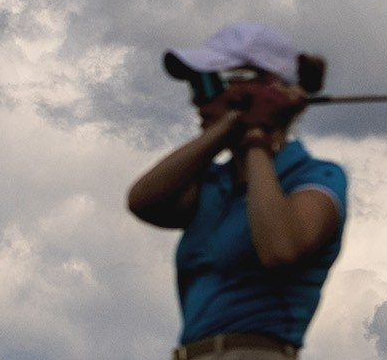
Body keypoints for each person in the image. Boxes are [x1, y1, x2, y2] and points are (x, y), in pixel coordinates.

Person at [127, 22, 347, 359]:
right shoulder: (212, 182)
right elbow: (142, 202)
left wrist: (256, 135)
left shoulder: (317, 177)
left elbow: (280, 249)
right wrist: (228, 126)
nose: (195, 100)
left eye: (205, 84)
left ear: (257, 87)